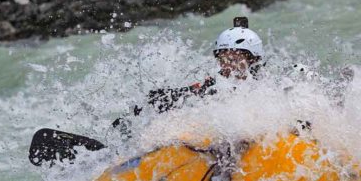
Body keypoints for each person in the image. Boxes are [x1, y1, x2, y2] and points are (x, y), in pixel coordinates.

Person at [112, 17, 264, 133]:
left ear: (252, 60)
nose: (228, 65)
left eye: (235, 59)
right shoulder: (212, 86)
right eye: (223, 59)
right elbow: (167, 98)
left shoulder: (266, 88)